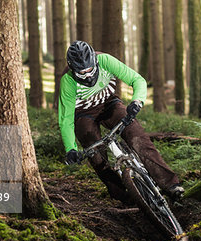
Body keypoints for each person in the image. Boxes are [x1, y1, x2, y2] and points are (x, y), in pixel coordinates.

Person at [58, 40, 184, 204]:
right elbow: (65, 118)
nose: (87, 75)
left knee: (136, 135)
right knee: (94, 153)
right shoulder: (67, 81)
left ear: (94, 62)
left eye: (89, 69)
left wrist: (137, 102)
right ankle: (122, 195)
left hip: (109, 103)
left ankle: (171, 184)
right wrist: (70, 149)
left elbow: (137, 80)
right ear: (73, 68)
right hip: (84, 113)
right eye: (81, 72)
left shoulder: (105, 60)